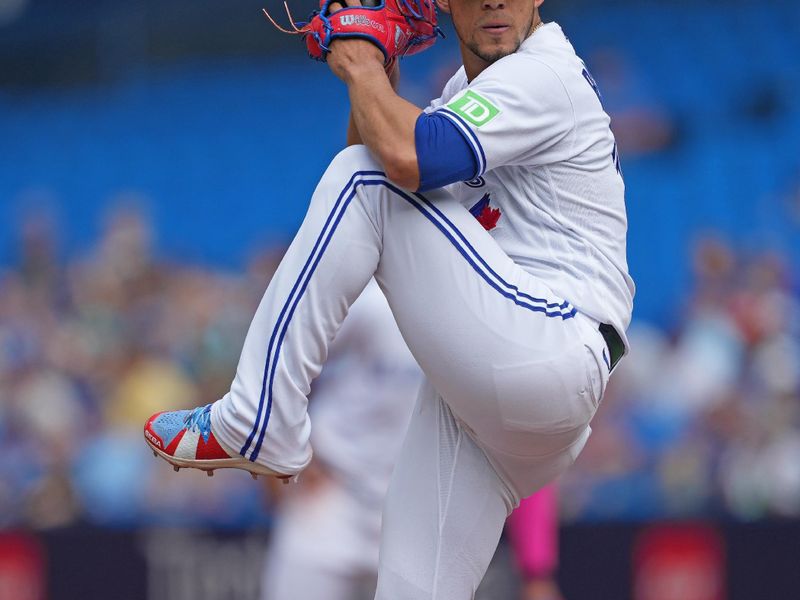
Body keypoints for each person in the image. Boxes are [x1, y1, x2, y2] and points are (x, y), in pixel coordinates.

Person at [143, 0, 634, 597]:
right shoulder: (465, 92)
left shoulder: (542, 72)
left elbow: (392, 165)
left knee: (362, 178)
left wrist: (363, 65)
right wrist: (380, 67)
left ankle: (257, 415)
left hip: (553, 343)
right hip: (501, 405)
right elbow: (382, 158)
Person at [261, 281, 422, 600]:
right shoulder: (375, 303)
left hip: (416, 505)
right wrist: (278, 451)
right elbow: (279, 352)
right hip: (334, 491)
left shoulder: (474, 308)